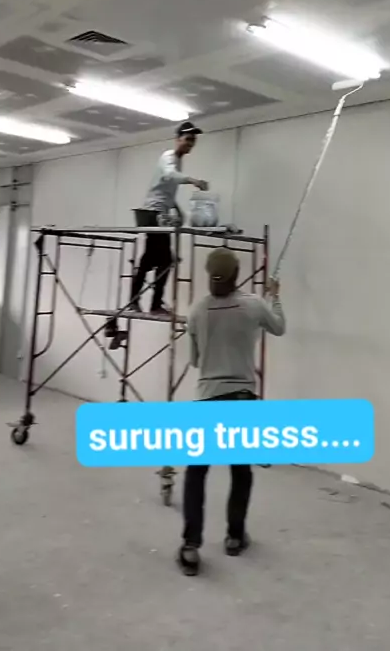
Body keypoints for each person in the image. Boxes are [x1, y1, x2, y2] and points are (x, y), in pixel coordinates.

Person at [177, 247, 286, 576]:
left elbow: (195, 361)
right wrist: (274, 297)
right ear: (237, 275)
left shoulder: (197, 310)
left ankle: (190, 546)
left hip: (207, 400)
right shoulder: (253, 305)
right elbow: (279, 327)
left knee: (196, 473)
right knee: (240, 470)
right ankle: (235, 537)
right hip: (242, 399)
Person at [130, 120, 208, 315]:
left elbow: (166, 191)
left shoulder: (178, 160)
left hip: (159, 212)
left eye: (193, 141)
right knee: (163, 259)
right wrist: (192, 180)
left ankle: (139, 301)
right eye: (188, 139)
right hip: (152, 213)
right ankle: (152, 304)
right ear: (177, 139)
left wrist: (178, 210)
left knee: (151, 259)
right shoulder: (168, 156)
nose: (191, 144)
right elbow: (170, 175)